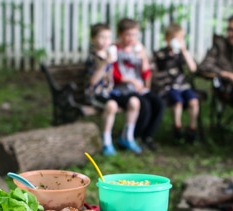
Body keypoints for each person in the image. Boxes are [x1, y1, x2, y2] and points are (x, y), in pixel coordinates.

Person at [85, 23, 141, 156]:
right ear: (93, 39)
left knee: (134, 101)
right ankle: (106, 142)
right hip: (95, 94)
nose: (105, 41)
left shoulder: (109, 53)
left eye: (108, 38)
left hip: (110, 92)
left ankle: (127, 137)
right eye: (102, 37)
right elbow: (93, 81)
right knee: (112, 105)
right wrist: (105, 63)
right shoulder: (93, 57)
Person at [113, 18, 165, 152]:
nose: (131, 38)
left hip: (138, 89)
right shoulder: (115, 50)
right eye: (128, 34)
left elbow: (146, 73)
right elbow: (114, 75)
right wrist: (131, 81)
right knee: (145, 105)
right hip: (122, 90)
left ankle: (147, 137)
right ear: (120, 34)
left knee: (159, 103)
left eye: (134, 34)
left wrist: (144, 58)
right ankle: (132, 137)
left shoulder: (138, 50)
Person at [153, 23, 200, 144]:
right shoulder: (160, 54)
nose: (176, 41)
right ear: (166, 39)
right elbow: (154, 72)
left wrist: (184, 51)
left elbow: (193, 69)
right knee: (177, 102)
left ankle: (192, 129)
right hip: (168, 86)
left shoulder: (182, 54)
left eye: (179, 38)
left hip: (183, 85)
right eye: (173, 38)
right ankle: (177, 128)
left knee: (193, 102)